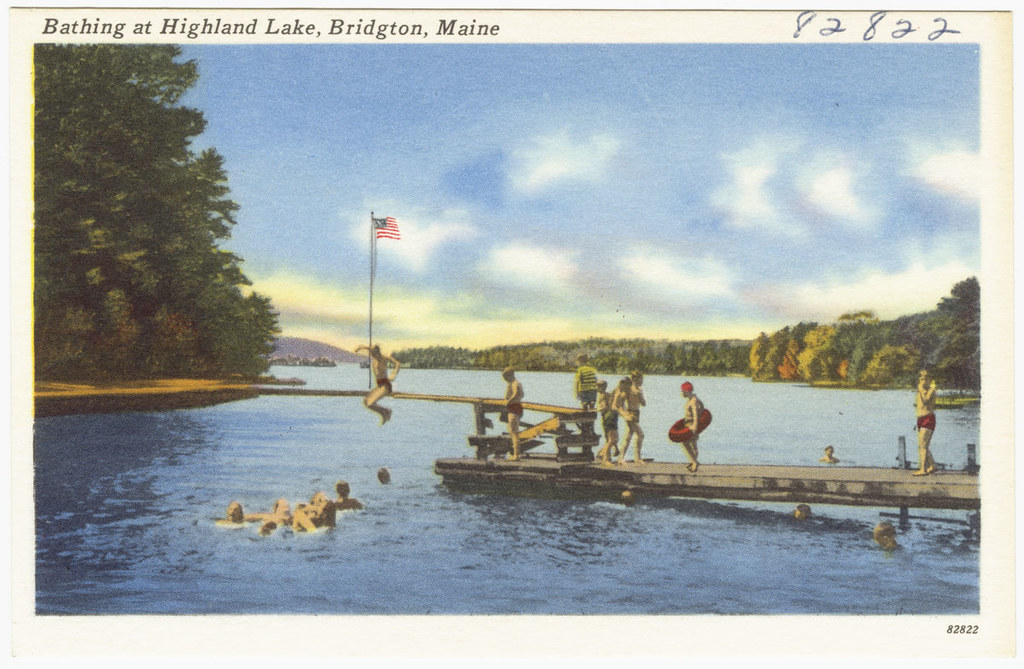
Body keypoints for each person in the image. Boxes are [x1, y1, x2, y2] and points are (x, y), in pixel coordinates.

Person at [355, 344, 401, 425]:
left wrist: (393, 375)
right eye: (372, 354)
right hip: (379, 385)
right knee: (365, 401)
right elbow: (369, 349)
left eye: (374, 354)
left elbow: (398, 364)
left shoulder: (384, 358)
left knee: (370, 403)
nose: (373, 356)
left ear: (378, 353)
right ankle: (384, 413)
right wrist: (360, 348)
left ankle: (386, 411)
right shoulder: (374, 358)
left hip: (385, 385)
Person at [616, 371, 646, 465]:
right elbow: (619, 404)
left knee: (629, 436)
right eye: (640, 379)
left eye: (642, 379)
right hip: (630, 414)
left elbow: (643, 403)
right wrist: (625, 414)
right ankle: (637, 458)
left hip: (637, 414)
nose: (642, 381)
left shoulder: (639, 389)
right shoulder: (629, 389)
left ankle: (621, 458)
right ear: (634, 379)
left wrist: (640, 394)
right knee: (640, 435)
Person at [914, 369, 938, 476]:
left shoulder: (931, 390)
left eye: (926, 379)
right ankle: (933, 465)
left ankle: (923, 469)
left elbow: (926, 401)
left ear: (929, 380)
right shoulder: (921, 390)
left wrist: (920, 390)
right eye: (922, 379)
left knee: (922, 446)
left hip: (928, 418)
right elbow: (919, 406)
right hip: (920, 419)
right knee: (923, 445)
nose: (923, 381)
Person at [679, 381, 704, 472]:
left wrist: (695, 426)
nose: (681, 393)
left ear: (686, 391)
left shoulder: (693, 401)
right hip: (689, 424)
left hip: (692, 425)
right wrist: (701, 412)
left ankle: (694, 462)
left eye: (682, 391)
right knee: (693, 444)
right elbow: (702, 406)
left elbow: (695, 414)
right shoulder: (693, 398)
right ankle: (693, 462)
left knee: (684, 442)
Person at [502, 367, 525, 461]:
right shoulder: (515, 383)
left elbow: (516, 394)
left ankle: (516, 455)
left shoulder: (515, 383)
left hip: (514, 408)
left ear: (509, 376)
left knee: (514, 433)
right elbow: (522, 395)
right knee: (513, 432)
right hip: (517, 407)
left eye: (505, 378)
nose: (505, 380)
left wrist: (508, 402)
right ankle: (517, 453)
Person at [595, 379, 619, 465]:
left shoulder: (603, 395)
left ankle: (603, 454)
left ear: (604, 387)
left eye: (599, 386)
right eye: (597, 386)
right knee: (609, 438)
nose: (597, 387)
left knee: (609, 438)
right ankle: (605, 455)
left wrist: (596, 410)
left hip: (608, 419)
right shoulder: (605, 395)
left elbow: (605, 407)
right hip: (607, 418)